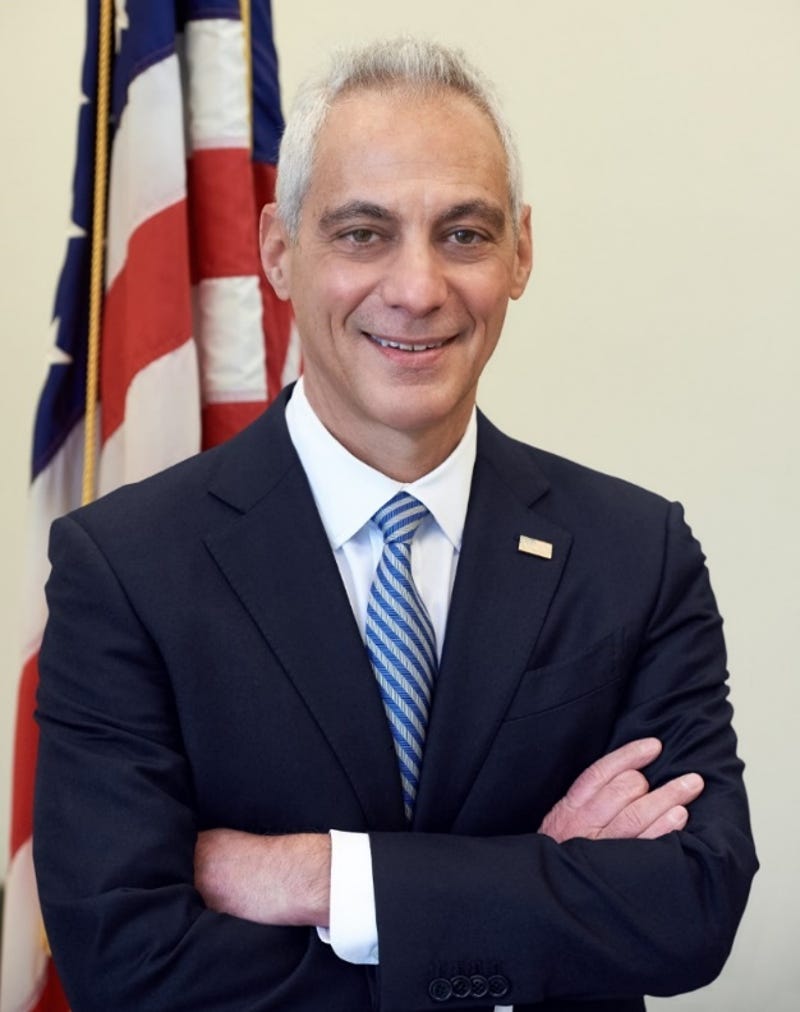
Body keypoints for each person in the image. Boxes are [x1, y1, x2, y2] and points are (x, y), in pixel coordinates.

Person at [33, 37, 756, 1012]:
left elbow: (689, 908)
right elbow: (127, 963)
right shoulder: (123, 569)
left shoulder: (635, 554)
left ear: (520, 253)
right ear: (278, 253)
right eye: (363, 233)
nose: (415, 289)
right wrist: (534, 887)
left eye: (462, 234)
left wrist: (325, 880)